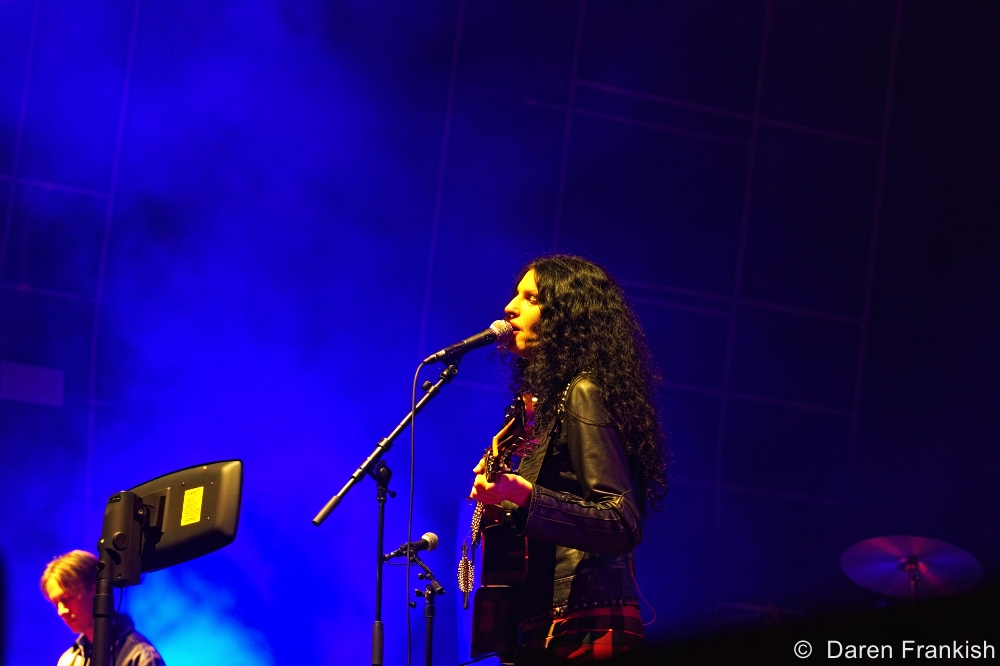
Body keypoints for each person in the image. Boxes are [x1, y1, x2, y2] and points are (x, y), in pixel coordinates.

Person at [470, 255, 669, 662]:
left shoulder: (582, 393)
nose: (510, 307)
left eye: (531, 298)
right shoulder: (541, 407)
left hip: (587, 622)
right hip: (547, 625)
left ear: (566, 317)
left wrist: (525, 496)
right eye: (516, 295)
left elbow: (621, 520)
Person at [41, 550, 165, 666]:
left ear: (97, 590)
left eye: (66, 599)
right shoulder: (69, 660)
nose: (61, 611)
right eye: (56, 603)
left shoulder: (140, 656)